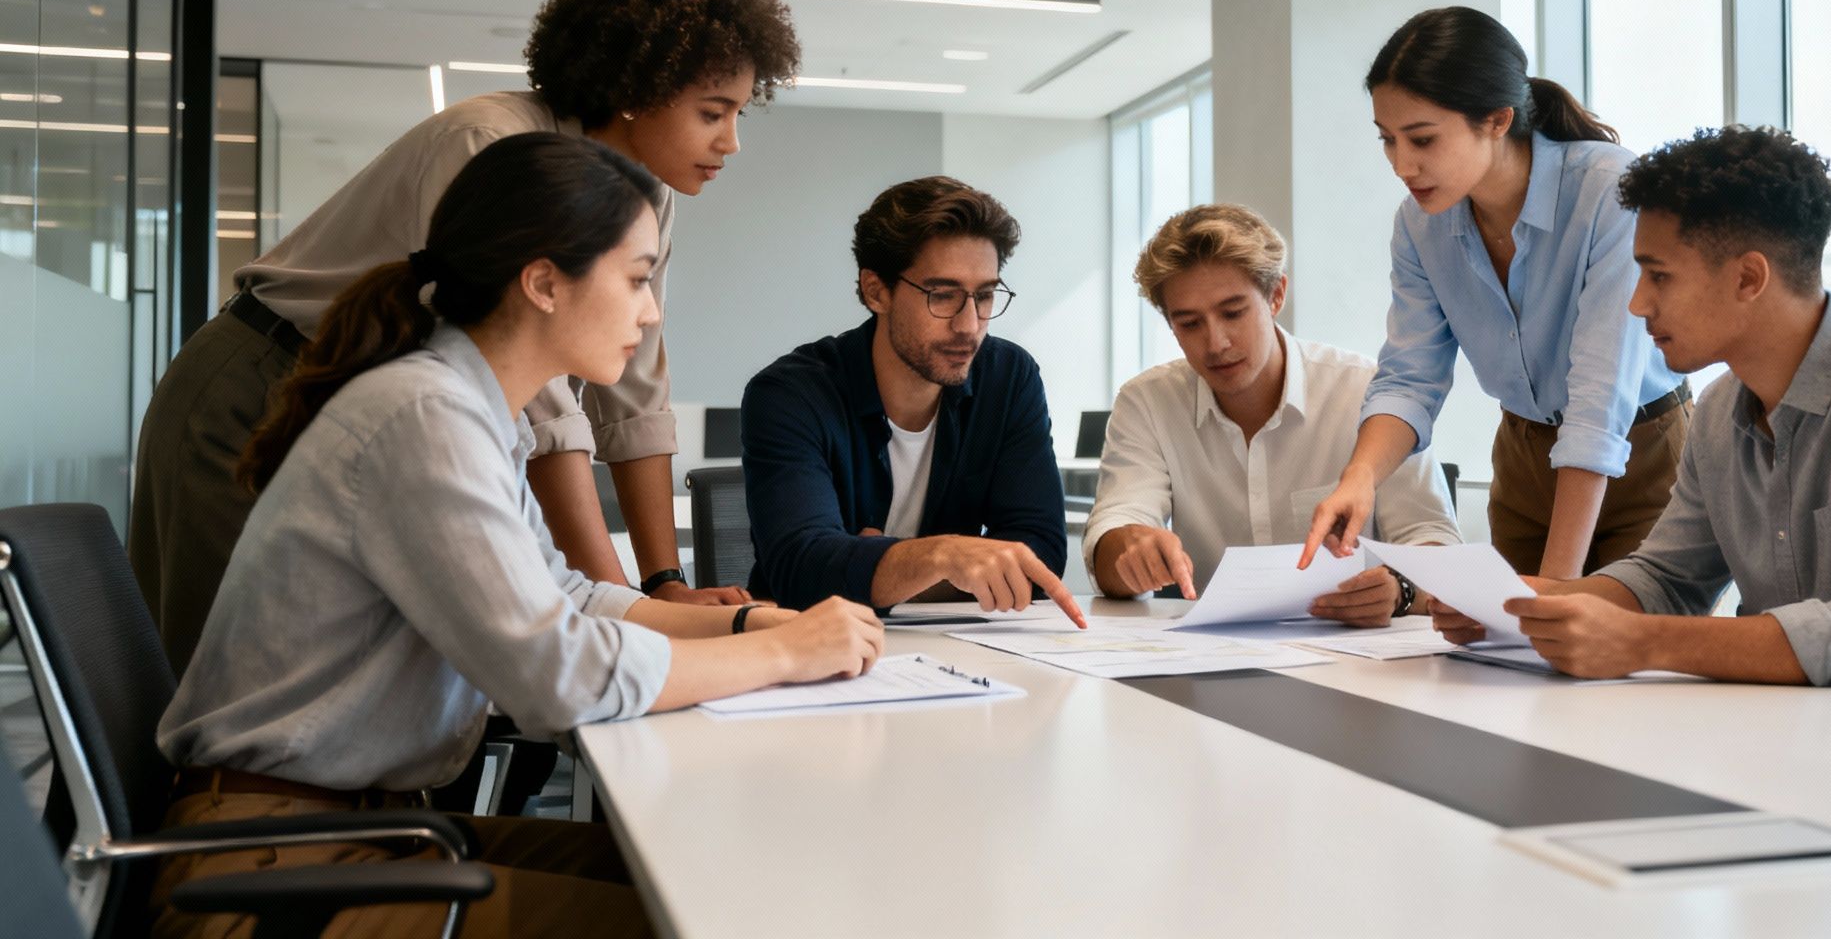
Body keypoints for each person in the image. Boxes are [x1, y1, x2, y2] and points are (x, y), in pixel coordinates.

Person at [152, 133, 883, 938]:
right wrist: (784, 654)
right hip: (271, 871)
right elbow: (556, 676)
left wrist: (744, 622)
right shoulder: (423, 415)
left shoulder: (469, 411)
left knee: (722, 877)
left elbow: (565, 594)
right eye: (638, 278)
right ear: (543, 283)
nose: (651, 309)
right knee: (700, 917)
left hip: (359, 833)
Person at [130, 0, 802, 673]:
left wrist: (662, 586)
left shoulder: (646, 194)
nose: (731, 141)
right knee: (215, 670)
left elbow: (633, 387)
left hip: (371, 407)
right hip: (263, 380)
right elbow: (544, 398)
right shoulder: (495, 146)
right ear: (637, 87)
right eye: (714, 111)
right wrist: (627, 610)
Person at [1430, 126, 1831, 701]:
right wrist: (1533, 603)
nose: (1638, 304)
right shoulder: (1723, 406)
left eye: (1658, 276)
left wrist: (1640, 642)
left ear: (1750, 278)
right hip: (1821, 734)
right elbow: (1667, 580)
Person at [1302, 6, 1689, 582]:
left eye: (1423, 139)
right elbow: (1410, 376)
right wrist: (1359, 477)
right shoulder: (1418, 225)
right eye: (1387, 140)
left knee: (1605, 650)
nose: (1402, 165)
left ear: (1497, 120)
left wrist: (1555, 590)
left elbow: (1599, 395)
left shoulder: (1608, 191)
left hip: (1642, 450)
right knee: (1501, 657)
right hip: (1525, 454)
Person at [1086, 204, 1461, 624]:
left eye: (1233, 312)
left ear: (1276, 295)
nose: (1216, 343)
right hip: (1220, 662)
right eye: (1189, 323)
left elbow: (1436, 546)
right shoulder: (1147, 402)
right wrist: (1128, 550)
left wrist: (1399, 592)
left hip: (1357, 657)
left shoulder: (1366, 392)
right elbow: (1113, 534)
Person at [740, 177, 1085, 625]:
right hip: (811, 647)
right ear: (875, 290)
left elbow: (1038, 558)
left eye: (983, 296)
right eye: (942, 296)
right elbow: (802, 570)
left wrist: (884, 563)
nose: (969, 325)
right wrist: (944, 555)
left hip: (961, 648)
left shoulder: (1009, 379)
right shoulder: (790, 394)